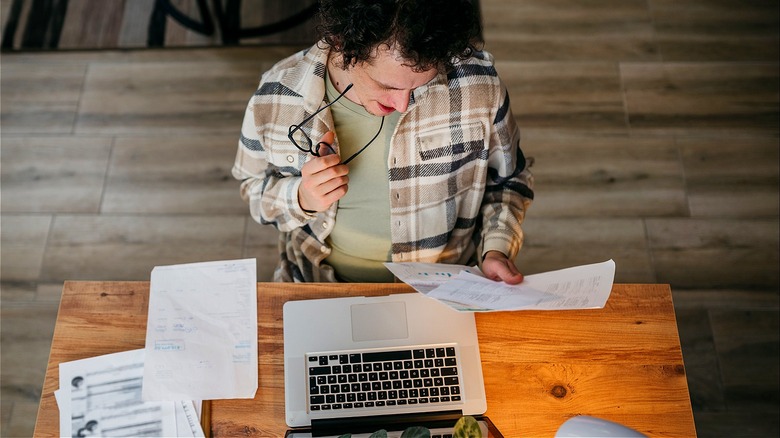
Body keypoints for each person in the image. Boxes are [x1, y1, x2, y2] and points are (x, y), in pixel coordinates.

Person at [233, 0, 533, 283]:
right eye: (386, 86)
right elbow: (253, 188)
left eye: (419, 84)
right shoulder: (276, 94)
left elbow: (508, 181)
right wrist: (302, 197)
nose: (402, 104)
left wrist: (496, 248)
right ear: (342, 43)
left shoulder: (479, 88)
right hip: (314, 280)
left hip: (442, 286)